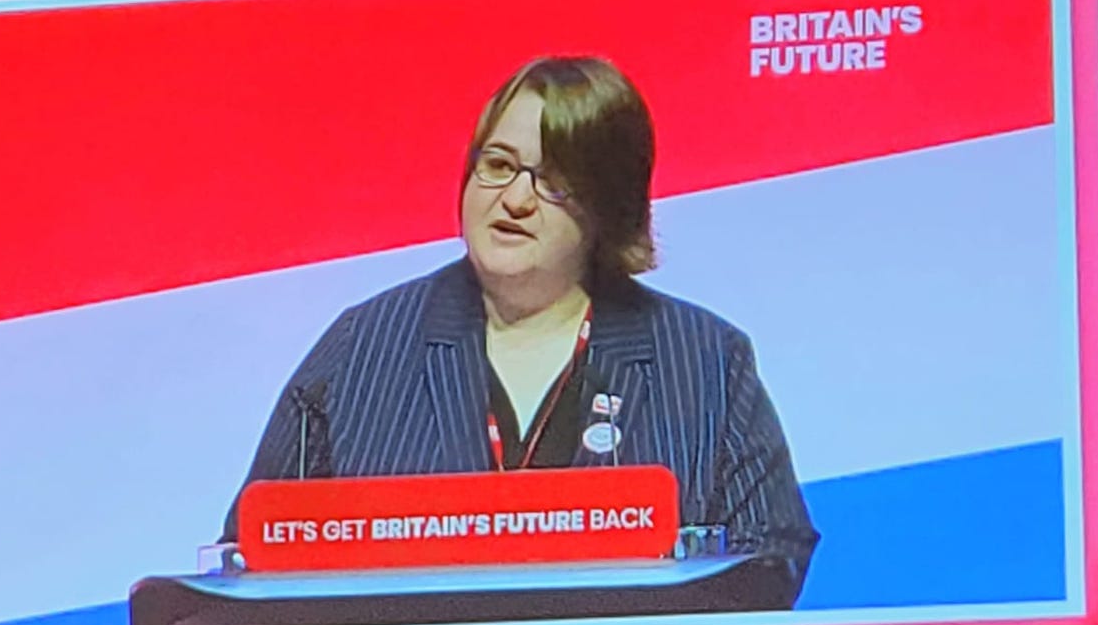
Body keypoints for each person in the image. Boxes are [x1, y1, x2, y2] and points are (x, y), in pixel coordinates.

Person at [221, 55, 818, 591]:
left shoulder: (705, 360)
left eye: (554, 183)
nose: (514, 199)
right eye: (498, 165)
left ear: (610, 205)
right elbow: (252, 559)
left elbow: (771, 556)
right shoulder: (361, 349)